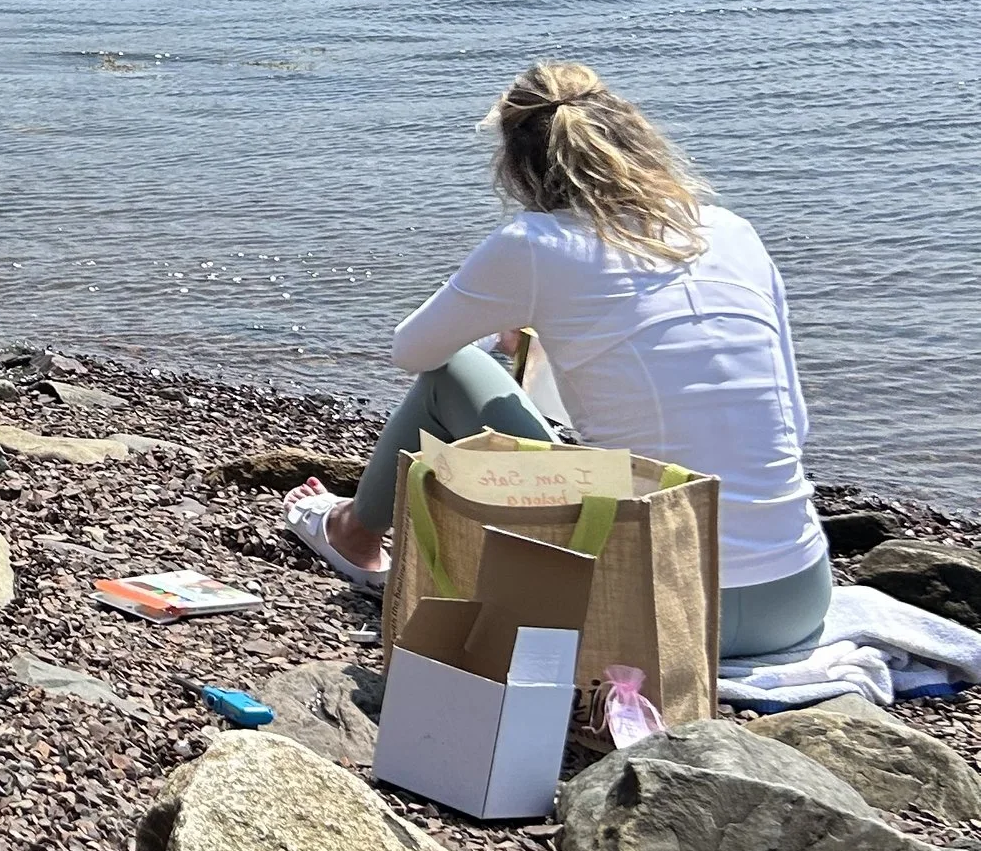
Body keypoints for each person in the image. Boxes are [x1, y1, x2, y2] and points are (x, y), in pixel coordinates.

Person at [285, 60, 832, 663]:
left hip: (655, 608)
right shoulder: (729, 230)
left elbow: (412, 350)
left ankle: (354, 534)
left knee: (449, 374)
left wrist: (515, 322)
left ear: (517, 165)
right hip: (796, 599)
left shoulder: (534, 244)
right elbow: (794, 422)